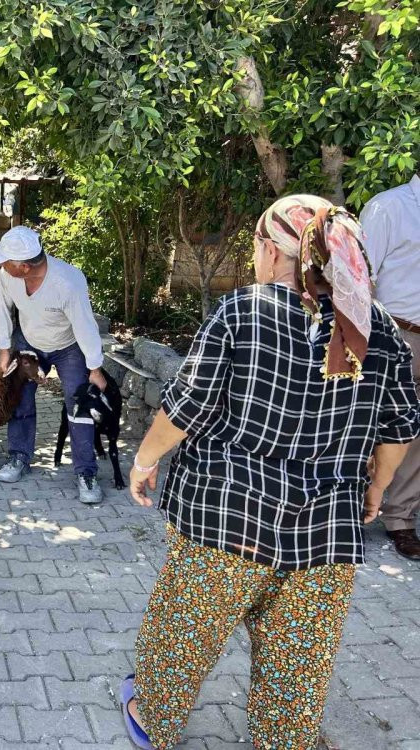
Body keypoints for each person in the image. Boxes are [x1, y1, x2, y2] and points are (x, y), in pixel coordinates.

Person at [119, 195, 419, 750]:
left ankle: (154, 718)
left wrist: (143, 462)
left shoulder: (243, 311)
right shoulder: (376, 327)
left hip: (225, 521)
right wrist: (376, 489)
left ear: (273, 249)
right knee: (298, 661)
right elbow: (400, 427)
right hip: (328, 531)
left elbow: (186, 408)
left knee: (184, 632)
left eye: (256, 244)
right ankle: (283, 738)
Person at [0, 226, 107, 504]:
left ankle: (86, 472)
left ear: (25, 266)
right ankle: (19, 456)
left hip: (69, 347)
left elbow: (85, 325)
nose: (2, 265)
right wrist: (4, 349)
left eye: (7, 261)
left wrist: (95, 368)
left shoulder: (68, 282)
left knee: (77, 405)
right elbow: (1, 308)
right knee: (19, 398)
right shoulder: (8, 275)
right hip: (29, 341)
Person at [360, 174, 420, 560]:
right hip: (395, 334)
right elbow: (359, 279)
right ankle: (351, 512)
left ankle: (401, 520)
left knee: (415, 435)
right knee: (369, 425)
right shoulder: (388, 207)